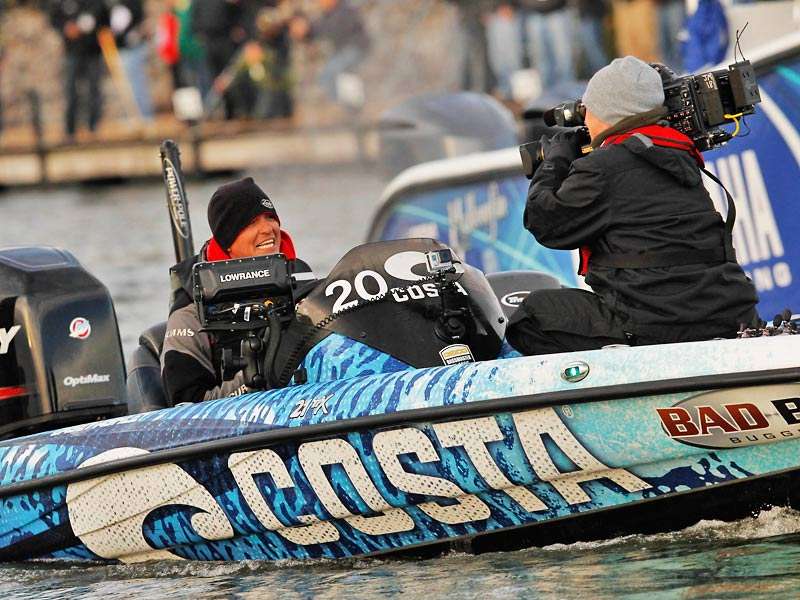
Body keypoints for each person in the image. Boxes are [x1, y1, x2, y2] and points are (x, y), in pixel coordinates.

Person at [507, 56, 758, 356]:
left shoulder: (605, 167)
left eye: (589, 110)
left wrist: (555, 161)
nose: (585, 120)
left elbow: (544, 222)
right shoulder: (679, 154)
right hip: (727, 315)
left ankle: (618, 383)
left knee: (531, 316)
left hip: (656, 325)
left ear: (607, 112)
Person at [161, 177, 309, 405]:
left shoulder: (301, 278)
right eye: (251, 223)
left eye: (270, 217)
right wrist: (254, 377)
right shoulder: (190, 310)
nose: (268, 229)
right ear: (227, 242)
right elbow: (187, 406)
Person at [49, 0, 110, 139]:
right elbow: (54, 17)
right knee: (71, 91)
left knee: (94, 90)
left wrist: (89, 23)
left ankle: (93, 128)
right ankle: (70, 130)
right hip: (72, 52)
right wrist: (66, 28)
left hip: (93, 51)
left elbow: (103, 16)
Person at [290, 0, 370, 104]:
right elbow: (319, 29)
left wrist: (307, 29)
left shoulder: (345, 9)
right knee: (331, 76)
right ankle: (348, 105)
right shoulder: (329, 14)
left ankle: (349, 105)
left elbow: (334, 29)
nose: (320, 2)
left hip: (356, 48)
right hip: (345, 51)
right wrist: (306, 32)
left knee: (331, 73)